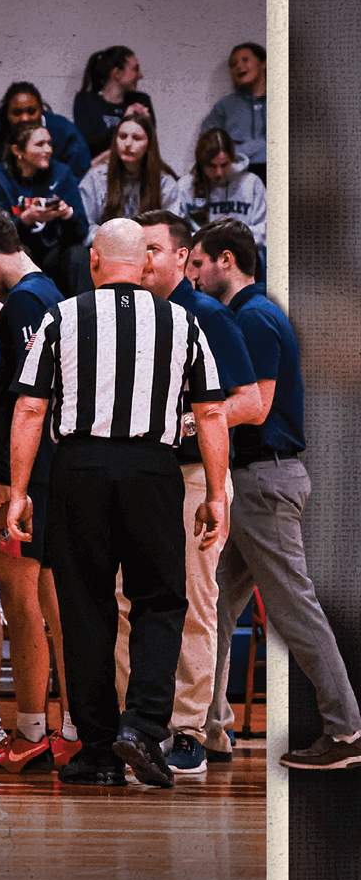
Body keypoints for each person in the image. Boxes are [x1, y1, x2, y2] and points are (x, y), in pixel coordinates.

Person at [7, 217, 229, 788]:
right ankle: (143, 726)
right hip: (154, 471)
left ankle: (99, 750)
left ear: (95, 260)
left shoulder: (61, 316)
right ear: (145, 262)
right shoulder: (183, 321)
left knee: (84, 608)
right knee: (159, 601)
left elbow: (30, 409)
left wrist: (18, 491)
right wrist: (217, 492)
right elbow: (210, 413)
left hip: (78, 468)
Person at [191, 220, 361, 770]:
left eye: (198, 264)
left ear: (225, 260)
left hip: (264, 482)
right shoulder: (251, 314)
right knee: (213, 605)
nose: (193, 274)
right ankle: (211, 729)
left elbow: (256, 406)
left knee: (294, 611)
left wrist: (190, 421)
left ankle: (346, 731)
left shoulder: (255, 317)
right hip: (250, 483)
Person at [129, 210, 261, 776]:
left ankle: (191, 730)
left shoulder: (207, 314)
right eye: (139, 249)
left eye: (155, 249)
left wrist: (188, 423)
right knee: (127, 600)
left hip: (192, 474)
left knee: (195, 601)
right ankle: (133, 725)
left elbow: (251, 401)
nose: (145, 259)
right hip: (137, 473)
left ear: (183, 256)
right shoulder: (128, 314)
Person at [0, 207, 70, 773]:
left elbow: (28, 401)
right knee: (45, 603)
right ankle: (63, 726)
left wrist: (7, 476)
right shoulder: (51, 291)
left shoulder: (26, 302)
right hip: (45, 472)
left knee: (23, 605)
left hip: (25, 478)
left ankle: (31, 728)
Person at [0, 120, 90, 295]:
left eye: (49, 143)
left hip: (55, 251)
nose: (48, 150)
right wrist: (26, 219)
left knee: (78, 253)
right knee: (19, 254)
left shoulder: (62, 173)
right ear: (17, 151)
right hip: (17, 252)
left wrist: (67, 214)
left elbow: (82, 230)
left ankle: (85, 314)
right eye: (39, 144)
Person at [78, 114, 178, 242]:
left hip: (147, 251)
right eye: (122, 136)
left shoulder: (165, 183)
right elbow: (85, 225)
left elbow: (171, 230)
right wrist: (117, 240)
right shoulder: (95, 178)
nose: (128, 143)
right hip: (107, 248)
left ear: (149, 145)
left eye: (136, 138)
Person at [176, 127, 267, 248]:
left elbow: (265, 230)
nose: (219, 172)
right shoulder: (185, 186)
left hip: (244, 255)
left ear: (233, 159)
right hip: (199, 255)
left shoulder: (252, 183)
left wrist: (232, 237)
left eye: (224, 165)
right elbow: (175, 233)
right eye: (211, 166)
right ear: (202, 164)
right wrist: (207, 240)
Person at [0, 82, 91, 180]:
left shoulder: (64, 132)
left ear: (41, 110)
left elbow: (79, 175)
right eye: (17, 113)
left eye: (31, 112)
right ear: (6, 113)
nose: (25, 118)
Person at [72, 45, 155, 167]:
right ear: (117, 73)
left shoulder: (141, 100)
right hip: (98, 171)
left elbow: (148, 142)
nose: (140, 75)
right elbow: (91, 144)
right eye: (135, 69)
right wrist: (126, 120)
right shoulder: (86, 101)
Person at [201, 42, 266, 184]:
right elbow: (207, 141)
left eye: (245, 60)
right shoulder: (225, 106)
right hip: (237, 178)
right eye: (233, 64)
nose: (239, 66)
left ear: (263, 63)